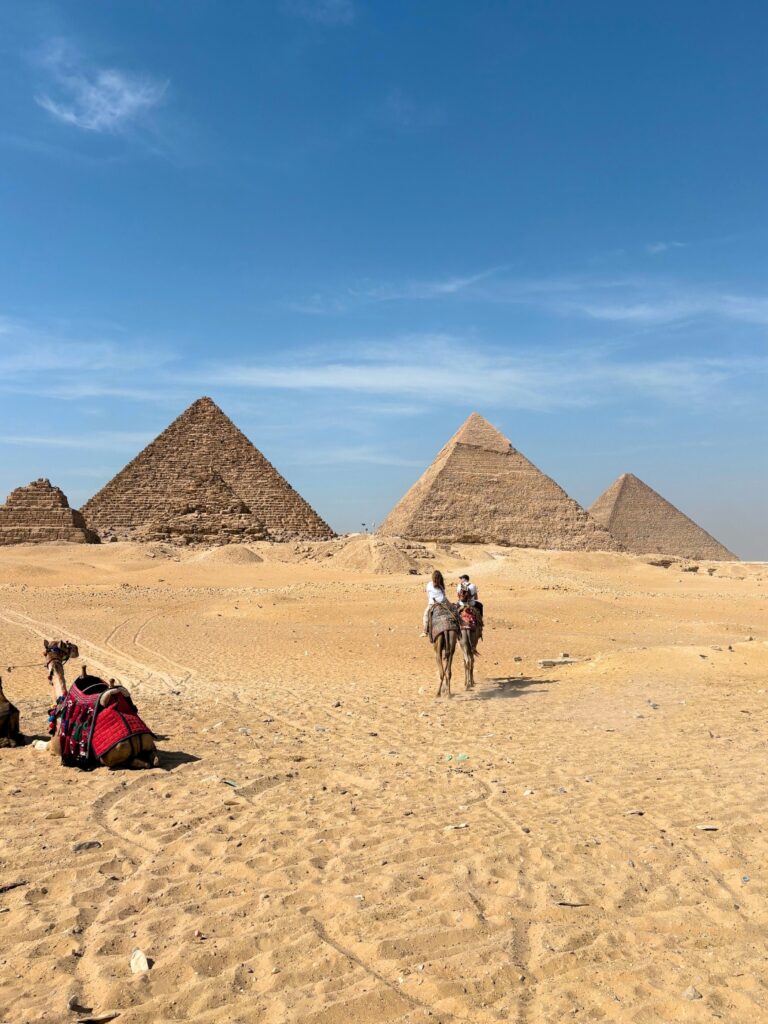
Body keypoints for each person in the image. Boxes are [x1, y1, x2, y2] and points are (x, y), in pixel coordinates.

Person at [421, 569, 447, 637]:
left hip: (432, 604)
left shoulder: (429, 584)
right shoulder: (442, 586)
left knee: (426, 615)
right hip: (443, 603)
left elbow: (428, 595)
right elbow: (444, 595)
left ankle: (425, 631)